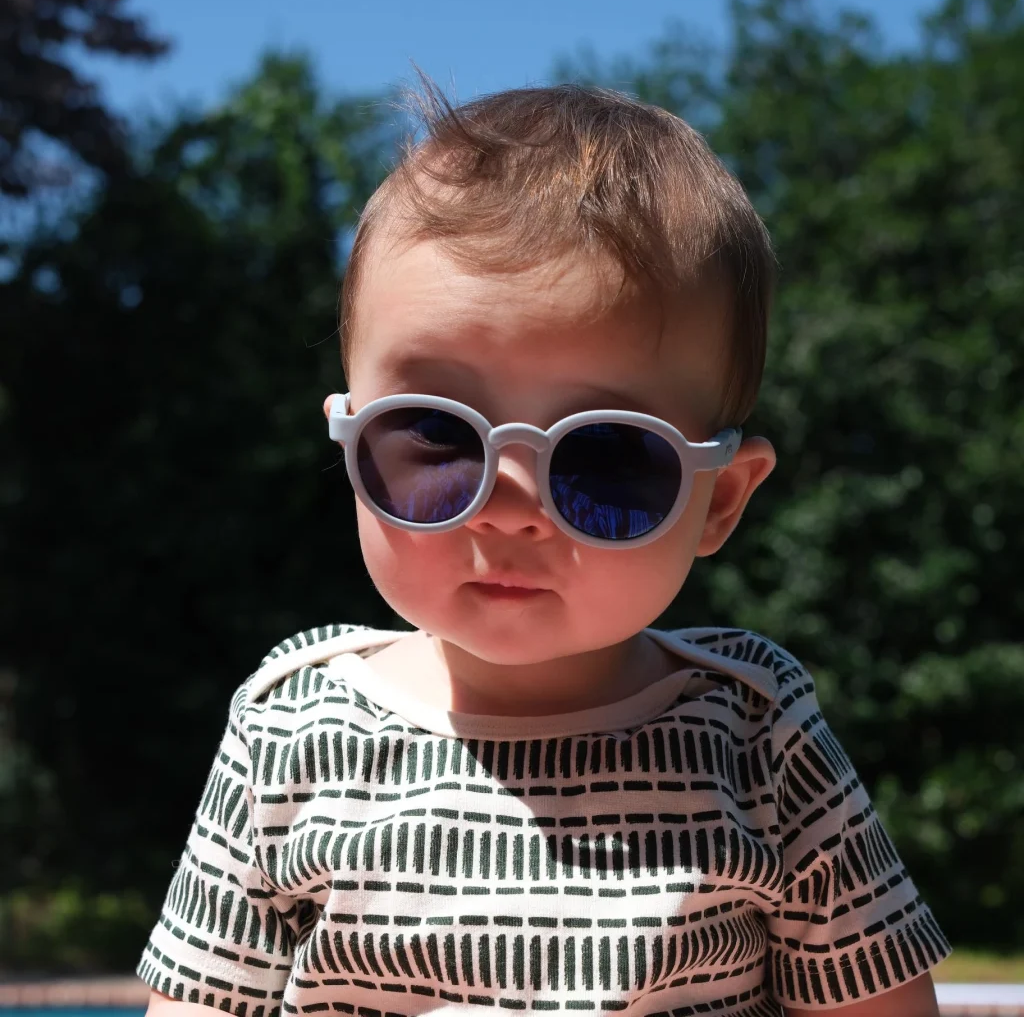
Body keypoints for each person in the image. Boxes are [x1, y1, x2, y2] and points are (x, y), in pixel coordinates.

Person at [138, 83, 951, 1017]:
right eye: (436, 437)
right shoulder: (289, 728)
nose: (509, 512)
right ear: (353, 441)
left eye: (606, 459)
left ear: (720, 499)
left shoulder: (756, 732)